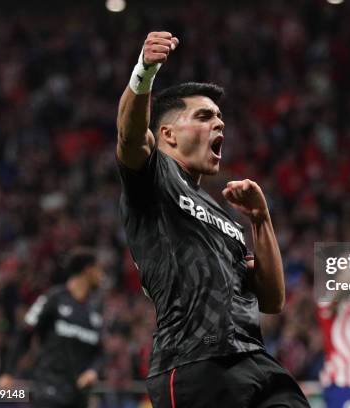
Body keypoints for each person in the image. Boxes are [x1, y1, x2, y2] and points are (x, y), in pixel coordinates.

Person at [116, 31, 310, 407]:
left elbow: (271, 299)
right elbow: (130, 137)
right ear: (167, 134)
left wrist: (261, 220)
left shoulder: (225, 217)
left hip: (255, 361)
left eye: (220, 117)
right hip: (193, 363)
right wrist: (144, 73)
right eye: (204, 117)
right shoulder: (154, 178)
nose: (219, 124)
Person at [0, 248, 105, 408]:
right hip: (49, 389)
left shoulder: (95, 310)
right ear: (87, 270)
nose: (102, 276)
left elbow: (100, 352)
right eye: (99, 270)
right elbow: (25, 332)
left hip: (78, 396)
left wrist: (93, 371)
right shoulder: (53, 298)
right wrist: (8, 372)